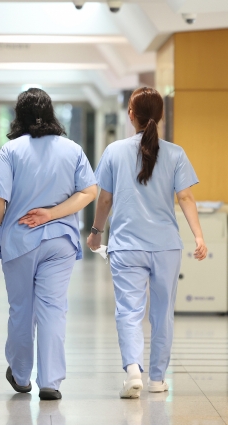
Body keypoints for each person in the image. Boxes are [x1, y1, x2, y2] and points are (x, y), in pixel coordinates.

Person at [87, 87, 207, 399]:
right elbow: (186, 197)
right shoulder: (176, 153)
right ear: (162, 115)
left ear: (131, 115)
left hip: (126, 246)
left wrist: (96, 232)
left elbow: (105, 200)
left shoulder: (114, 151)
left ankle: (132, 373)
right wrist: (198, 236)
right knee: (162, 312)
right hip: (166, 246)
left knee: (128, 311)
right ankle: (156, 379)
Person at [0, 88, 97, 400]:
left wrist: (0, 221)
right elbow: (89, 192)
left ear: (18, 116)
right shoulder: (72, 149)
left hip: (20, 240)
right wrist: (53, 214)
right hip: (60, 241)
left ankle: (21, 376)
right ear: (50, 114)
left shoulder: (10, 151)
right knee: (53, 308)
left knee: (22, 309)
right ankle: (50, 382)